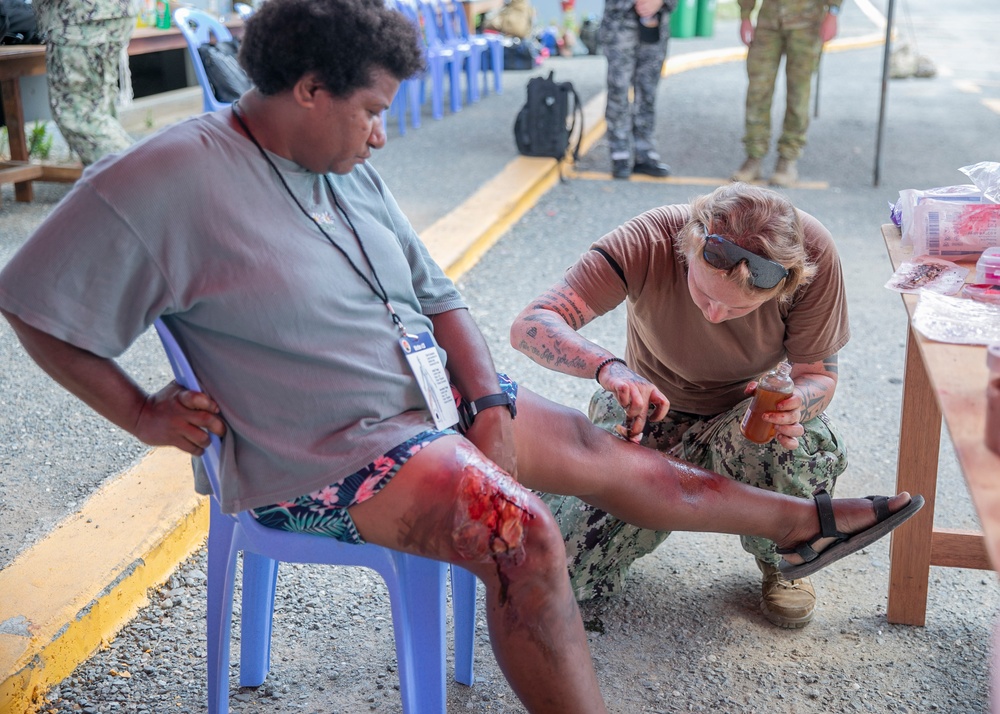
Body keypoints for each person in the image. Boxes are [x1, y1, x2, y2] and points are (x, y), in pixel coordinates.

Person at [0, 1, 921, 710]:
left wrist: (486, 403)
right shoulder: (167, 176)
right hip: (328, 456)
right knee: (528, 539)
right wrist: (141, 413)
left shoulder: (342, 166)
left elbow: (440, 299)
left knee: (613, 457)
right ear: (309, 89)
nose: (381, 133)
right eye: (370, 110)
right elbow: (32, 300)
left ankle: (795, 525)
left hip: (427, 408)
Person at [510, 182, 856, 630]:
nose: (713, 314)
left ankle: (785, 554)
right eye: (705, 294)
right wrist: (610, 368)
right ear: (690, 247)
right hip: (648, 408)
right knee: (551, 568)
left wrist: (796, 405)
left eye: (736, 309)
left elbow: (818, 375)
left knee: (800, 444)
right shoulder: (651, 238)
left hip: (744, 414)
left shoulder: (813, 255)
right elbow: (531, 324)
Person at [730, 0, 840, 187]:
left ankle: (787, 159)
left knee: (798, 93)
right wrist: (745, 16)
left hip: (807, 23)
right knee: (758, 90)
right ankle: (754, 155)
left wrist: (833, 12)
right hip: (768, 22)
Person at [33, 0, 136, 166]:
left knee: (79, 117)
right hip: (109, 12)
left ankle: (146, 180)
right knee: (99, 113)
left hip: (78, 17)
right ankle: (120, 185)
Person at [601, 0, 675, 179]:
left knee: (648, 91)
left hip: (655, 23)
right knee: (619, 89)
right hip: (619, 22)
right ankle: (620, 153)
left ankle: (645, 152)